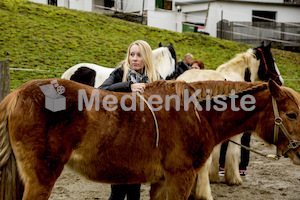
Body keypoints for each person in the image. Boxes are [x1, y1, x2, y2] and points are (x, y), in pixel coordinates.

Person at [99, 40, 160, 200]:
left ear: (146, 57)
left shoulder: (154, 78)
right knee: (117, 192)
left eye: (139, 55)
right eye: (132, 54)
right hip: (119, 139)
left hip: (141, 142)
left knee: (135, 192)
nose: (134, 58)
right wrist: (128, 86)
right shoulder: (120, 72)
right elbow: (101, 91)